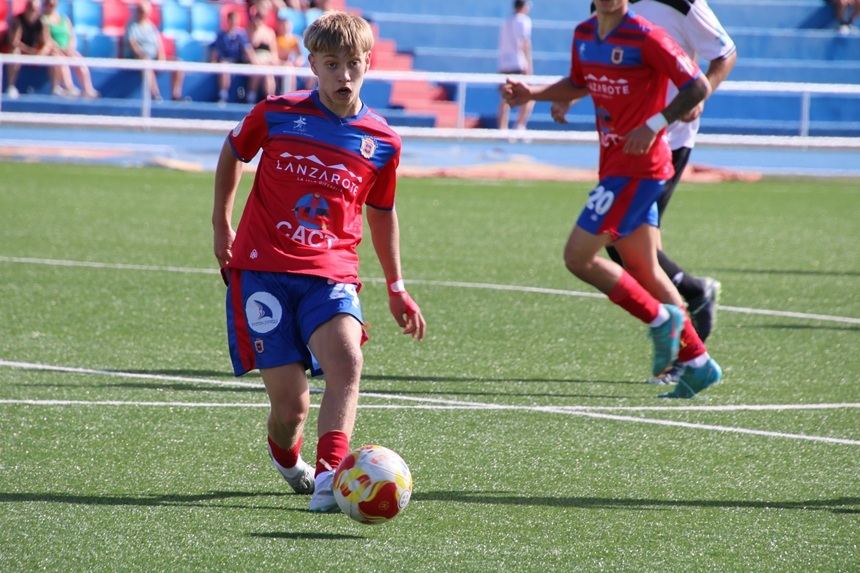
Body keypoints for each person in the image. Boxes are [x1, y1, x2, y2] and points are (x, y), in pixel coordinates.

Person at [212, 10, 426, 513]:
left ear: (368, 63)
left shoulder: (383, 141)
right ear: (312, 64)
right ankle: (289, 461)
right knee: (291, 408)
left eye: (353, 63)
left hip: (330, 273)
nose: (343, 75)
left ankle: (331, 476)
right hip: (261, 272)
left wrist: (396, 286)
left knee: (348, 360)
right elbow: (234, 151)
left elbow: (382, 212)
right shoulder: (276, 113)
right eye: (332, 64)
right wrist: (222, 224)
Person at [502, 0, 721, 399]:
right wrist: (532, 93)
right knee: (644, 268)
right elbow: (579, 82)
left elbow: (698, 86)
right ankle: (698, 362)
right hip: (615, 165)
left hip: (640, 169)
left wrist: (655, 124)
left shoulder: (648, 36)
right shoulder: (584, 34)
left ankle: (660, 319)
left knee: (578, 257)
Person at [553, 0, 736, 385]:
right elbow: (595, 64)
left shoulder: (676, 9)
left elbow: (723, 54)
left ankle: (671, 323)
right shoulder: (598, 19)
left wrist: (690, 103)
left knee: (593, 253)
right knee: (637, 259)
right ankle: (696, 356)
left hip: (662, 144)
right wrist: (554, 94)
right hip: (620, 149)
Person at [123, 0, 185, 101]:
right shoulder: (131, 25)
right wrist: (141, 54)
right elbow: (132, 43)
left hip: (153, 57)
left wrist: (161, 59)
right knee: (147, 62)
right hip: (139, 58)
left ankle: (175, 95)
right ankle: (156, 95)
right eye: (139, 10)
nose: (140, 13)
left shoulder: (151, 27)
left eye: (142, 11)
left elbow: (159, 45)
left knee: (178, 62)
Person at [42, 0, 99, 98]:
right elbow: (46, 38)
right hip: (54, 50)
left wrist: (70, 48)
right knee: (61, 61)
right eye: (49, 4)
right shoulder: (43, 20)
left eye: (53, 4)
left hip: (67, 49)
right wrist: (58, 49)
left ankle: (88, 89)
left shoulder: (64, 19)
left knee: (78, 59)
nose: (51, 6)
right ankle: (69, 87)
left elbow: (72, 36)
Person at [497, 0, 534, 131]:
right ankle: (520, 125)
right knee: (531, 94)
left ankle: (502, 128)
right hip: (518, 64)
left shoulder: (505, 21)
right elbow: (524, 42)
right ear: (524, 7)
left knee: (505, 97)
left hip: (504, 64)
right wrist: (529, 64)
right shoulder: (524, 20)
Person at [3, 0, 53, 99]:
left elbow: (47, 42)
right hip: (21, 50)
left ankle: (55, 88)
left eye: (35, 9)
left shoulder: (42, 22)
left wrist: (41, 52)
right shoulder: (18, 20)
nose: (32, 11)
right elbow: (14, 42)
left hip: (34, 51)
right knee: (14, 52)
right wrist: (30, 51)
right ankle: (10, 86)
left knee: (54, 54)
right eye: (30, 8)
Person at [210, 10, 258, 103]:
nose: (233, 23)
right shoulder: (221, 35)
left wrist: (254, 62)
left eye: (235, 20)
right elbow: (215, 51)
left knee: (256, 70)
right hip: (225, 61)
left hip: (238, 62)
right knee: (224, 66)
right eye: (231, 20)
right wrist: (213, 62)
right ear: (227, 21)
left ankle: (250, 98)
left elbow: (247, 49)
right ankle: (223, 96)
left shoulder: (241, 35)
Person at [245, 3, 280, 102]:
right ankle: (251, 97)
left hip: (267, 61)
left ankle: (270, 99)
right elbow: (249, 48)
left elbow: (274, 53)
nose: (259, 19)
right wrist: (256, 30)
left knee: (268, 73)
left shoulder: (270, 32)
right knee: (259, 69)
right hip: (254, 61)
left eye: (261, 16)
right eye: (257, 16)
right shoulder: (248, 30)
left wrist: (272, 61)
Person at [275, 12, 305, 92]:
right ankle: (288, 93)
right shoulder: (276, 40)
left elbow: (301, 56)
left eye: (287, 25)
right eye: (283, 25)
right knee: (289, 69)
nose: (285, 28)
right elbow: (276, 57)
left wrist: (298, 62)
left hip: (293, 65)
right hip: (281, 65)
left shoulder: (295, 40)